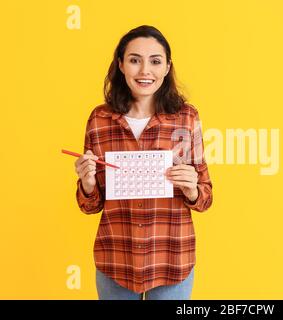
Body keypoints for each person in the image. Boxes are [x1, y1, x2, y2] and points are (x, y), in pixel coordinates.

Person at [74, 25, 213, 300]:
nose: (145, 71)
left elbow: (206, 197)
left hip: (172, 259)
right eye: (135, 60)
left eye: (155, 61)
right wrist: (87, 183)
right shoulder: (99, 119)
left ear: (167, 67)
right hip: (116, 260)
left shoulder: (186, 117)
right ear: (121, 65)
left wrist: (192, 189)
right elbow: (91, 205)